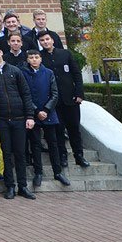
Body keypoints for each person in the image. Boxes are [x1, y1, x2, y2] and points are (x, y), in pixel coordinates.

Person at [0, 46, 36, 199]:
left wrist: (30, 116)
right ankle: (10, 186)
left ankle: (23, 186)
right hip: (1, 120)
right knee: (6, 154)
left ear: (1, 53)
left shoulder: (15, 71)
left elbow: (26, 93)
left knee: (20, 154)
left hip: (19, 118)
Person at [37, 31, 88, 168]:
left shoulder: (65, 54)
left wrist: (79, 93)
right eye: (42, 40)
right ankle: (63, 156)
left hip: (70, 98)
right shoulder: (40, 57)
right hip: (53, 102)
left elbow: (76, 74)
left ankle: (79, 156)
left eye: (47, 39)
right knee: (58, 130)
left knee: (74, 129)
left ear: (52, 40)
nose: (45, 42)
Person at [23, 48, 71, 187]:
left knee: (53, 143)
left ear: (40, 58)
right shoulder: (24, 74)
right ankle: (38, 172)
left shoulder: (49, 73)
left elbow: (55, 93)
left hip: (49, 113)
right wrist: (36, 110)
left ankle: (58, 172)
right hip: (33, 114)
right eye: (31, 58)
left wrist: (46, 109)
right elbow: (25, 94)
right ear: (27, 60)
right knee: (36, 144)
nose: (34, 60)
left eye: (36, 57)